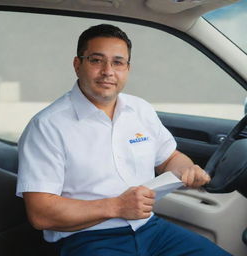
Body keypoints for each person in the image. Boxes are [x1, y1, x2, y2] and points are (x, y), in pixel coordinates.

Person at [16, 24, 231, 256]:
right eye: (97, 60)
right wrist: (117, 206)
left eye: (118, 62)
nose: (108, 71)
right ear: (78, 65)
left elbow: (170, 158)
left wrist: (187, 170)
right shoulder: (47, 125)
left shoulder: (141, 110)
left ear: (127, 69)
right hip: (88, 240)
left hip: (152, 230)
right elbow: (40, 213)